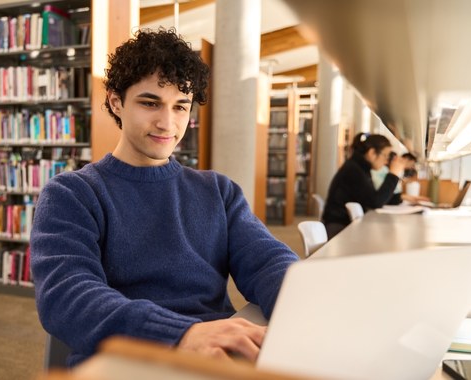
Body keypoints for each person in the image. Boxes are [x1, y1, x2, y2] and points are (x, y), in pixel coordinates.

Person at [30, 28, 299, 367]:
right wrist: (182, 334)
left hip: (214, 355)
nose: (167, 123)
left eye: (180, 107)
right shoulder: (71, 194)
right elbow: (67, 298)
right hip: (125, 362)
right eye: (150, 103)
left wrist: (302, 304)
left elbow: (268, 261)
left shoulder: (218, 190)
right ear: (116, 101)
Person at [322, 133, 406, 239]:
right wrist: (393, 175)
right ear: (372, 153)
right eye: (385, 155)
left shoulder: (361, 167)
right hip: (338, 227)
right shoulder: (354, 170)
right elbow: (375, 202)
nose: (386, 161)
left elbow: (381, 198)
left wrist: (398, 192)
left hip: (346, 224)